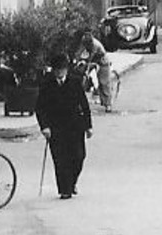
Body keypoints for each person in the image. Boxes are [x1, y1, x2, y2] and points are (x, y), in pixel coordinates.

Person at [35, 52, 93, 200]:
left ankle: (72, 182)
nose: (60, 72)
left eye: (62, 69)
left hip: (75, 126)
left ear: (66, 70)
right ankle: (65, 189)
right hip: (56, 128)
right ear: (54, 70)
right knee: (60, 160)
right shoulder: (47, 85)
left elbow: (84, 105)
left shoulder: (75, 82)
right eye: (57, 70)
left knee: (79, 156)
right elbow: (40, 107)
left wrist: (88, 126)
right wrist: (44, 127)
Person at [74, 29, 111, 109]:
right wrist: (76, 61)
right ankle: (101, 100)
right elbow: (80, 52)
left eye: (88, 44)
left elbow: (91, 57)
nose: (86, 46)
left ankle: (108, 104)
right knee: (84, 76)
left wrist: (87, 69)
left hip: (102, 62)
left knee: (104, 82)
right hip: (94, 61)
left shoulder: (95, 45)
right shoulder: (84, 41)